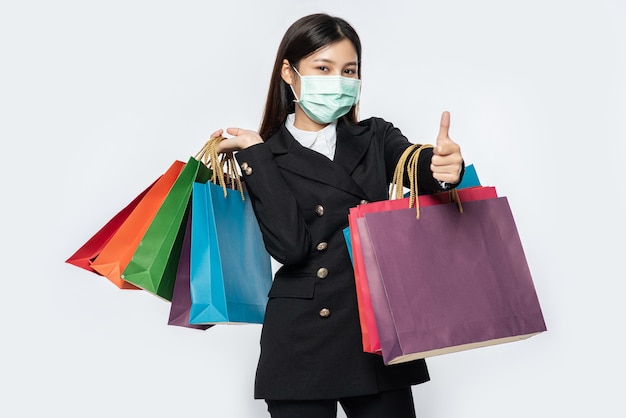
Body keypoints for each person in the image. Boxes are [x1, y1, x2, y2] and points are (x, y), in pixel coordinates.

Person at [211, 13, 464, 418]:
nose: (337, 81)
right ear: (289, 74)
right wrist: (256, 153)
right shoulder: (265, 154)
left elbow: (418, 168)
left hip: (375, 332)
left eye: (349, 71)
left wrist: (445, 168)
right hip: (300, 341)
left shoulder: (376, 136)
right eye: (323, 68)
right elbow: (291, 248)